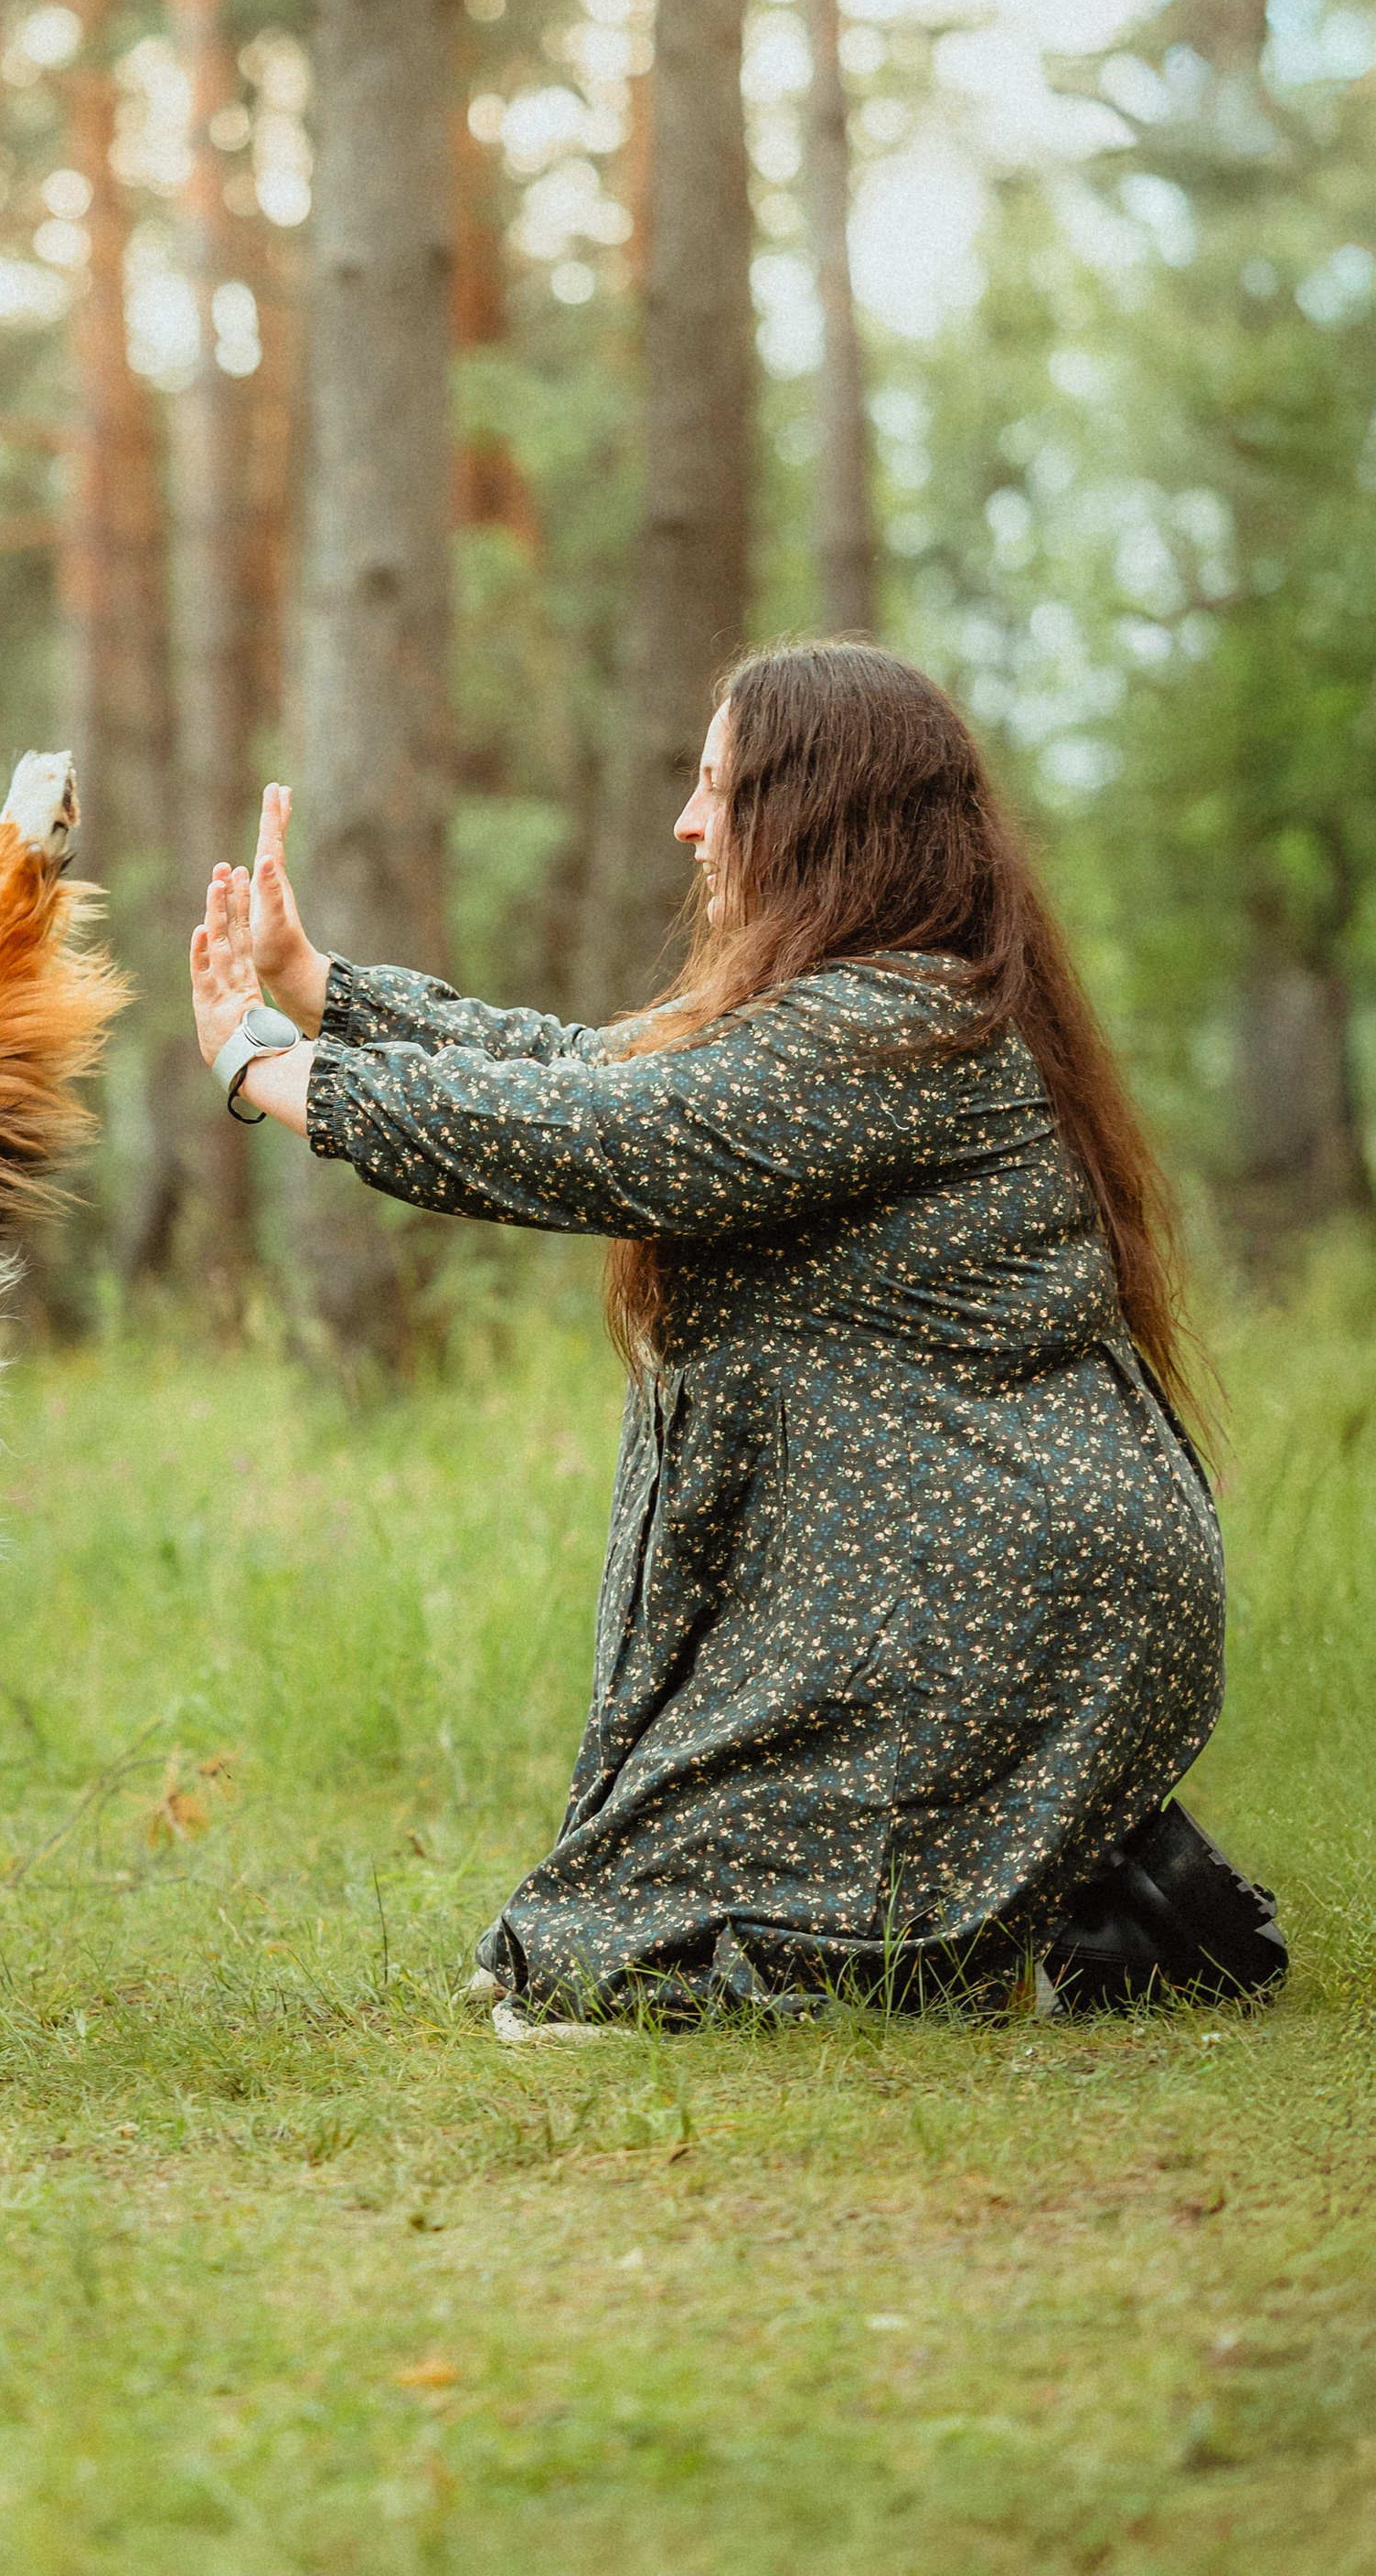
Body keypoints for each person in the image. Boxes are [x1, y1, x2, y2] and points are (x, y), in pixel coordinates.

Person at [187, 641, 1286, 2032]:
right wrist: (324, 986)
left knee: (600, 1968)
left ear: (819, 812)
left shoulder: (890, 1025)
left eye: (719, 792)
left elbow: (604, 1138)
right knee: (591, 1939)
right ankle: (1102, 1894)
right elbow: (598, 1069)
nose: (687, 825)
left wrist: (264, 1068)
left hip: (988, 1600)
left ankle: (1075, 1897)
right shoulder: (865, 1006)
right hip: (968, 1586)